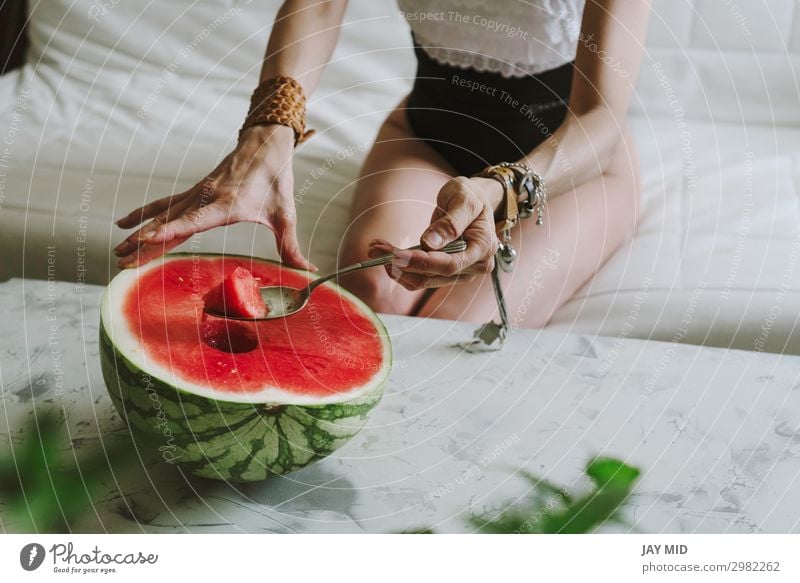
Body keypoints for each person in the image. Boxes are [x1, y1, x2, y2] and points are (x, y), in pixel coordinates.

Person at [114, 0, 650, 327]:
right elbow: (319, 4)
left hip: (574, 168)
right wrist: (265, 136)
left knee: (455, 331)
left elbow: (599, 115)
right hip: (428, 136)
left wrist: (502, 190)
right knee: (372, 296)